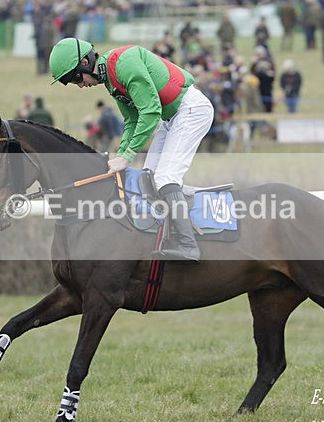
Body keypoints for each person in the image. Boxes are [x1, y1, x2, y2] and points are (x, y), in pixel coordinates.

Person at [48, 37, 214, 261]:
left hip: (191, 110)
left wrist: (126, 156)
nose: (79, 85)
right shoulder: (110, 81)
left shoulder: (123, 65)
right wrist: (119, 155)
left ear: (86, 63)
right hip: (172, 117)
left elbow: (151, 112)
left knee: (164, 178)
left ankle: (188, 244)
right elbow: (132, 121)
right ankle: (173, 225)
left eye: (76, 78)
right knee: (148, 177)